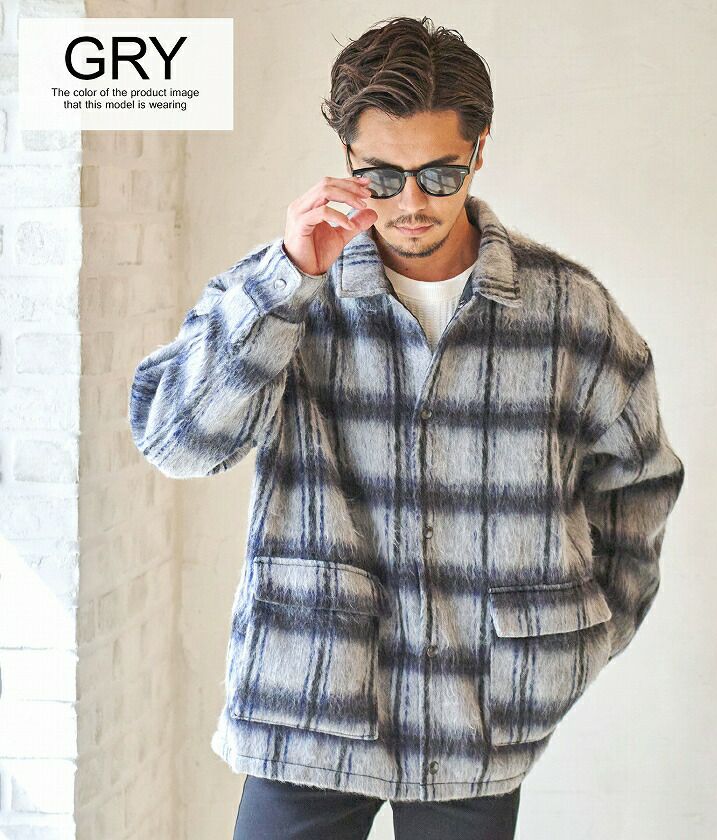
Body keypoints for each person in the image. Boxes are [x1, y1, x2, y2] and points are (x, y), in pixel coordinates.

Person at [129, 14, 685, 840]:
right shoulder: (288, 288)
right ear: (347, 158)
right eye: (382, 177)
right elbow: (175, 442)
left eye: (440, 173)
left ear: (479, 151)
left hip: (481, 717)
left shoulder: (570, 312)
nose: (413, 202)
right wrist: (287, 279)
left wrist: (573, 641)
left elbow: (639, 483)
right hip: (305, 705)